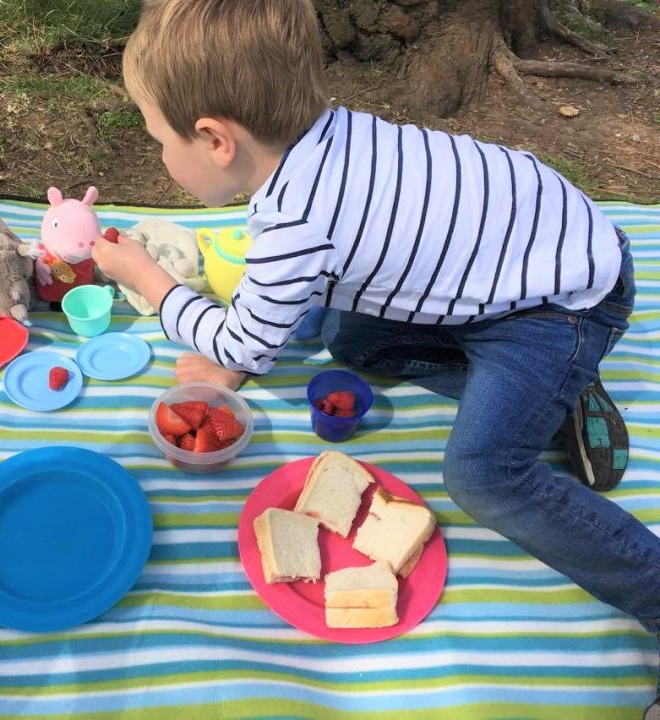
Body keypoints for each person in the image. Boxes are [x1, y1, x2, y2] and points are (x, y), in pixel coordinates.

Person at [91, 2, 660, 715]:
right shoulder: (324, 136)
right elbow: (310, 277)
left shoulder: (296, 222)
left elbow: (248, 341)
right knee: (351, 340)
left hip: (565, 304)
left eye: (158, 140)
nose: (159, 157)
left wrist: (148, 278)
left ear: (214, 139)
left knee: (481, 474)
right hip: (519, 271)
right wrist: (238, 355)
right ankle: (550, 400)